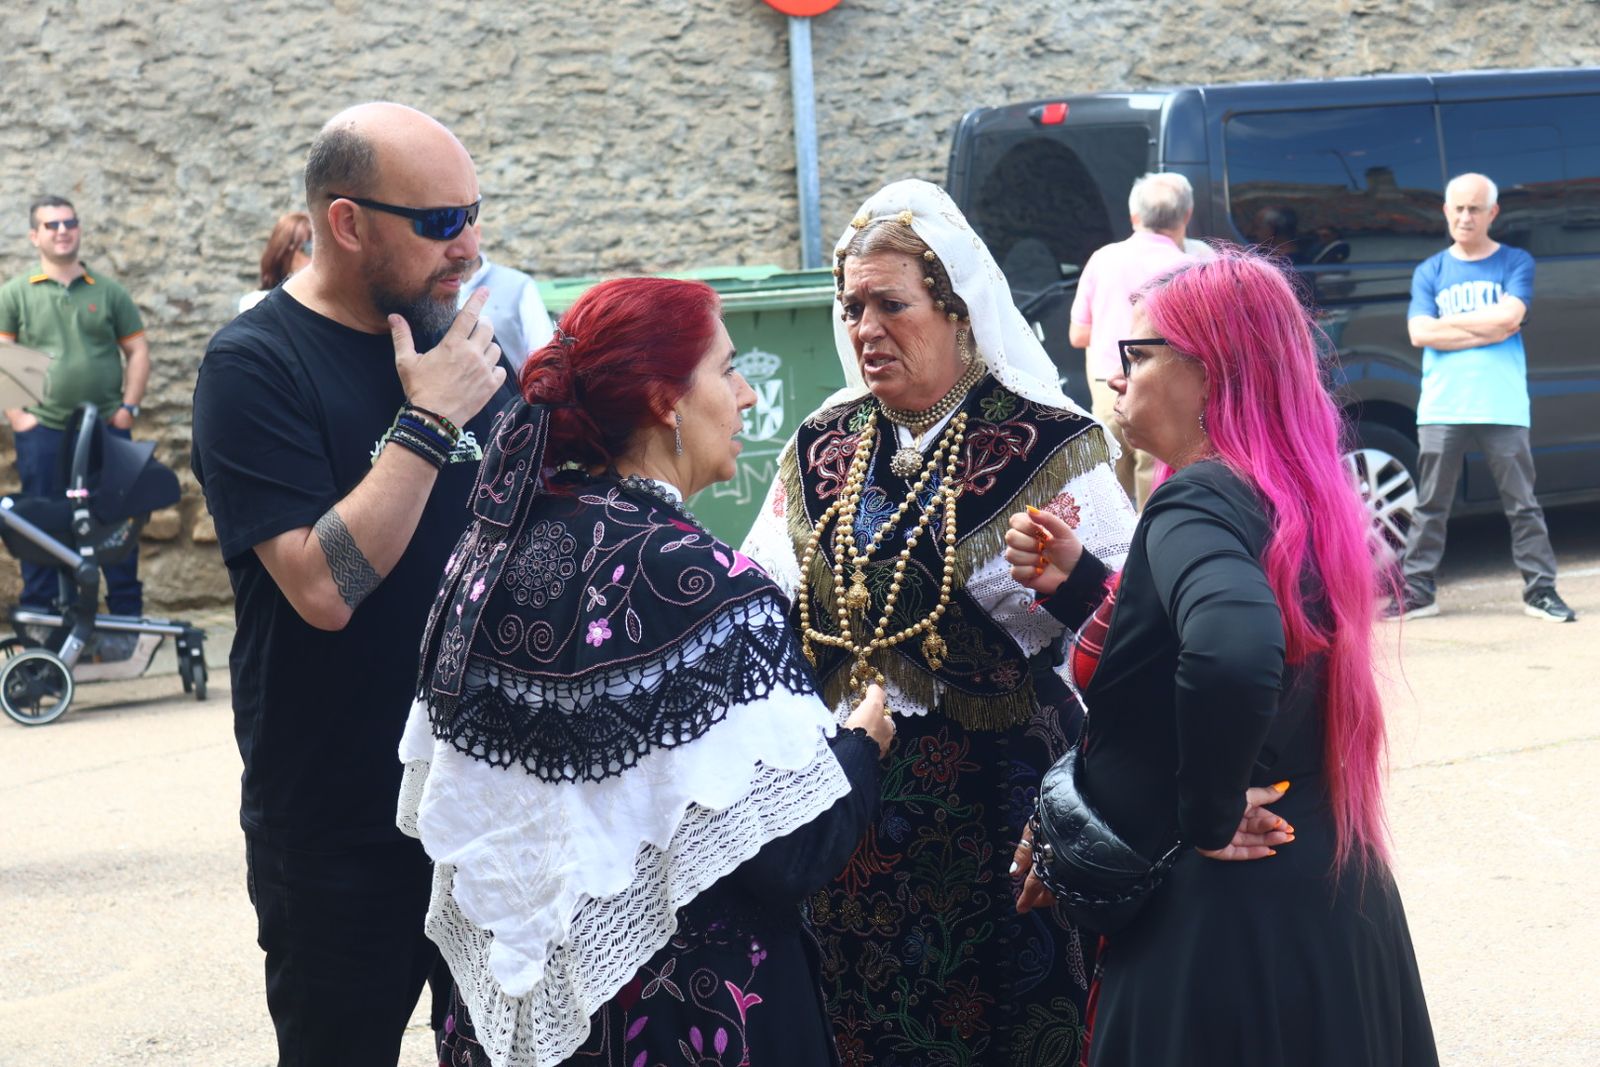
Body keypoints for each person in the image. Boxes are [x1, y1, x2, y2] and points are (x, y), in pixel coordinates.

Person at [398, 276, 895, 1067]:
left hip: (503, 1023)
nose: (744, 398)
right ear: (667, 400)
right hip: (678, 1023)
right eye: (726, 371)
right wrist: (864, 743)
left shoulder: (484, 552)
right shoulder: (708, 588)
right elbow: (794, 852)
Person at [1007, 249, 1438, 1066]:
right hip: (1327, 901)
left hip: (1227, 935)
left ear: (1210, 373)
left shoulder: (1194, 497)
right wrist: (1089, 588)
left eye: (1138, 354)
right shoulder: (1293, 489)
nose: (1118, 374)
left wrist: (1197, 812)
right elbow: (1218, 637)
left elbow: (1236, 651)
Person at [741, 179, 1137, 1066]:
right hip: (851, 806)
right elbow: (759, 604)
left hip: (995, 815)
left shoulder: (1045, 443)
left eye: (891, 303)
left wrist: (1077, 583)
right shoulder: (821, 442)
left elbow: (1135, 627)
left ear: (956, 310)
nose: (865, 328)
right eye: (851, 307)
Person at [190, 102, 513, 1066]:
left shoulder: (458, 341)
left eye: (474, 212)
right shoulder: (253, 366)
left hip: (484, 807)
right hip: (338, 820)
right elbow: (324, 586)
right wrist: (427, 424)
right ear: (347, 222)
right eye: (440, 221)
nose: (469, 245)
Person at [1388, 172, 1575, 623]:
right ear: (1445, 212)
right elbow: (1419, 332)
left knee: (1522, 503)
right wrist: (1488, 327)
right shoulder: (1430, 270)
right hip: (1442, 403)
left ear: (1493, 213)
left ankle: (1540, 591)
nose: (1465, 217)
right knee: (1431, 503)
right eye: (1457, 208)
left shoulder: (1515, 261)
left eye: (1475, 209)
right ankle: (1418, 590)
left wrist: (1452, 328)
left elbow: (1512, 317)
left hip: (1502, 402)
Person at [1, 195, 151, 619]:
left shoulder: (108, 292)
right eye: (51, 225)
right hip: (44, 430)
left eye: (70, 222)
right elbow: (3, 354)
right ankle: (42, 612)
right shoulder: (16, 293)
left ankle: (125, 615)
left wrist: (128, 410)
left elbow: (137, 351)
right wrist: (20, 418)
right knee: (39, 522)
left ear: (79, 229)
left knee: (117, 518)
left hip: (105, 426)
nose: (63, 230)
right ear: (35, 235)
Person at [1069, 173, 1198, 507]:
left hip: (1107, 390)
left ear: (1134, 217)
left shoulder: (1103, 259)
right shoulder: (1189, 269)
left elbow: (1078, 335)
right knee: (1156, 490)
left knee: (1111, 488)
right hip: (1163, 388)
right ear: (1186, 215)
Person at [456, 231, 552, 372]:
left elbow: (543, 353)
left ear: (477, 233)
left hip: (513, 391)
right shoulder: (429, 289)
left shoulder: (518, 284)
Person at [239, 211, 314, 313]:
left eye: (320, 248)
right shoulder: (255, 303)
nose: (315, 257)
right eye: (309, 249)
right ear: (285, 252)